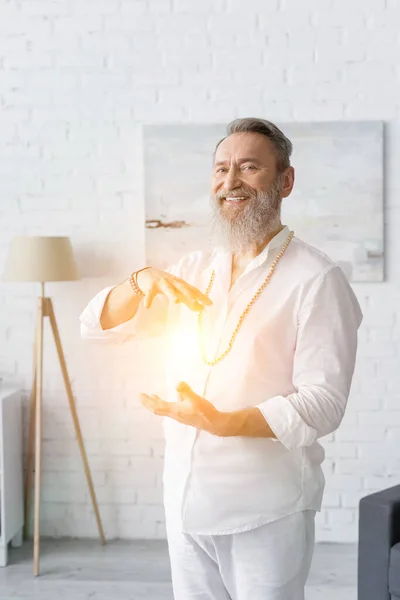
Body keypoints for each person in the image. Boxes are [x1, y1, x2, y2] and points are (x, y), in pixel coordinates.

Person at [80, 117, 363, 600]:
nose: (229, 182)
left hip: (266, 509)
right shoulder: (193, 269)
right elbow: (96, 331)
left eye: (249, 167)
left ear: (284, 181)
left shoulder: (318, 278)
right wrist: (138, 281)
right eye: (220, 169)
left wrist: (224, 423)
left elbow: (324, 403)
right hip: (186, 502)